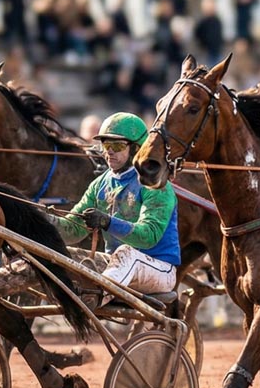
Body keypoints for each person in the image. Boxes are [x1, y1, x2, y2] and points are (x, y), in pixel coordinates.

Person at [56, 113, 180, 296]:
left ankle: (92, 298)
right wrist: (35, 218)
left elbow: (148, 237)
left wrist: (108, 222)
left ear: (137, 149)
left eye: (117, 145)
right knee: (58, 255)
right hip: (115, 266)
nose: (109, 151)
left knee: (126, 253)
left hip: (159, 270)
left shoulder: (154, 184)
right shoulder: (100, 184)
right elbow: (71, 230)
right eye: (106, 145)